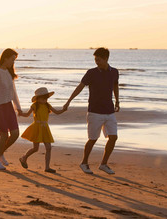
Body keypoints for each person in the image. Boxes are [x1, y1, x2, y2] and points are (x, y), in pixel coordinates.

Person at [64, 47, 119, 175]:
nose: (96, 62)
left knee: (113, 137)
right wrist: (69, 101)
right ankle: (84, 163)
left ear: (106, 59)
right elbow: (80, 87)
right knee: (93, 139)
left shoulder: (114, 72)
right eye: (95, 59)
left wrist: (117, 101)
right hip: (95, 112)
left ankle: (103, 164)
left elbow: (115, 85)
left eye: (98, 60)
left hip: (109, 111)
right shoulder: (91, 73)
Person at [19, 87, 66, 173]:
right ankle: (24, 158)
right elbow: (27, 114)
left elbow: (57, 112)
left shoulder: (48, 105)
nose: (45, 100)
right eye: (43, 98)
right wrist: (21, 114)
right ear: (37, 98)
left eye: (46, 98)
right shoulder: (34, 105)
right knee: (35, 148)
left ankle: (47, 167)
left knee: (48, 147)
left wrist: (63, 109)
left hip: (45, 128)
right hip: (37, 127)